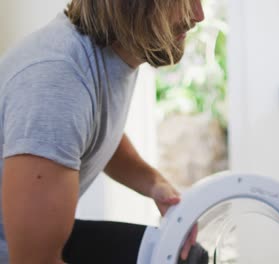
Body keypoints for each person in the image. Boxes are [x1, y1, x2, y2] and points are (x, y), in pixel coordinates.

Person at [0, 0, 207, 263]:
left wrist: (154, 184)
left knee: (185, 256)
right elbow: (33, 260)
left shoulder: (113, 55)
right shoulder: (57, 81)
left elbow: (94, 132)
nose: (198, 16)